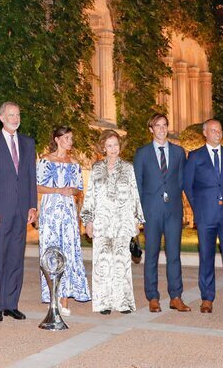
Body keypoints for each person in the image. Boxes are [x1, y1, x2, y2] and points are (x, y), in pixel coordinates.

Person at [0, 101, 38, 322]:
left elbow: (30, 177)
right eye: (11, 115)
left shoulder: (28, 143)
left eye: (18, 114)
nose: (15, 118)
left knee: (16, 258)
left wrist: (32, 205)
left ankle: (11, 304)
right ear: (2, 117)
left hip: (22, 211)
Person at [183, 119, 223, 314]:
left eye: (219, 130)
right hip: (206, 216)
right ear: (205, 133)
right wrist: (199, 207)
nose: (217, 134)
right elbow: (188, 185)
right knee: (206, 257)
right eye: (213, 130)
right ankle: (207, 298)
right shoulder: (195, 157)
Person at [80, 130, 144, 314]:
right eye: (109, 146)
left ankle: (123, 302)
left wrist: (136, 221)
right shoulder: (96, 168)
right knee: (102, 262)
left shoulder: (128, 168)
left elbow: (134, 195)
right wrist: (88, 221)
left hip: (123, 221)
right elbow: (90, 196)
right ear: (103, 147)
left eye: (115, 145)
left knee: (121, 262)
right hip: (102, 222)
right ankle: (104, 303)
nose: (113, 149)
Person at [133, 113, 190, 313]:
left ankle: (176, 296)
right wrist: (137, 213)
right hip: (151, 210)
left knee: (174, 254)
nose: (162, 129)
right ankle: (153, 297)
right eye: (158, 125)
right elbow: (138, 184)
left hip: (173, 210)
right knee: (152, 255)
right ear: (151, 129)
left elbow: (182, 181)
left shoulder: (179, 152)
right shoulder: (142, 153)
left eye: (165, 125)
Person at [36, 126, 90, 315]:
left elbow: (78, 188)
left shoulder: (74, 163)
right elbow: (38, 187)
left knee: (68, 250)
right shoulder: (45, 160)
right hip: (50, 211)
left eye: (71, 138)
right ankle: (53, 295)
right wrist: (58, 190)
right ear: (57, 139)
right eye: (66, 138)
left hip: (67, 212)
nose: (70, 141)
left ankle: (65, 299)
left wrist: (72, 191)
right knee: (51, 251)